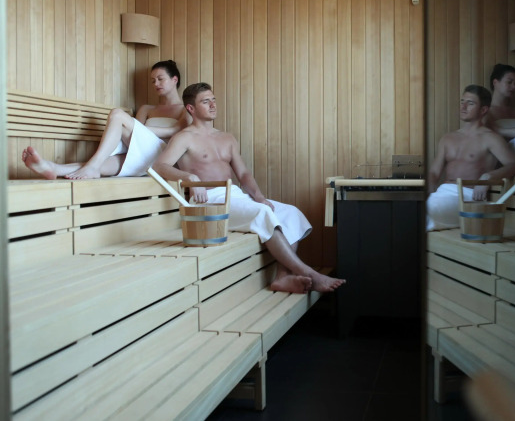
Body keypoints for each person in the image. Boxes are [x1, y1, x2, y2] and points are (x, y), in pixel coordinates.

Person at [152, 82, 345, 294]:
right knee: (262, 213)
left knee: (291, 213)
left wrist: (259, 197)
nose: (213, 105)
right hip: (208, 201)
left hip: (235, 196)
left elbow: (243, 174)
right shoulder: (184, 137)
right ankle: (310, 274)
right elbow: (160, 166)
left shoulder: (227, 138)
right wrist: (190, 178)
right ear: (191, 108)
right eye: (206, 102)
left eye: (213, 100)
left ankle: (282, 277)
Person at [22, 60, 190, 180]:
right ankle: (52, 168)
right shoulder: (147, 109)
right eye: (153, 80)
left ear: (174, 79)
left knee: (117, 115)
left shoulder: (185, 109)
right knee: (101, 164)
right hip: (141, 158)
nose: (156, 83)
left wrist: (143, 130)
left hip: (162, 158)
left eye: (160, 78)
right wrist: (137, 132)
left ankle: (92, 166)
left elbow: (176, 132)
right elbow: (134, 136)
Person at [426, 84, 515, 231]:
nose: (463, 107)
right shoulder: (448, 138)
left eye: (470, 103)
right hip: (442, 193)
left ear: (483, 110)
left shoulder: (490, 138)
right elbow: (434, 172)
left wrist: (488, 177)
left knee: (425, 209)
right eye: (462, 101)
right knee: (409, 205)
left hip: (468, 196)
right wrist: (429, 188)